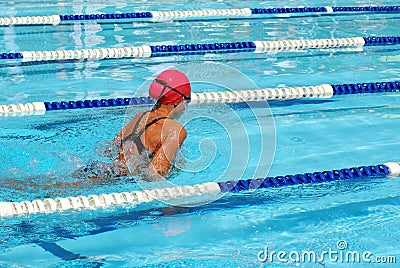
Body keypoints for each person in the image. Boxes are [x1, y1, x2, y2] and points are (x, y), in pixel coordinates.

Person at [112, 69, 191, 180]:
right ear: (180, 100)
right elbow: (154, 174)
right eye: (188, 99)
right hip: (123, 181)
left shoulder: (140, 117)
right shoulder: (175, 130)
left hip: (109, 172)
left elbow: (112, 148)